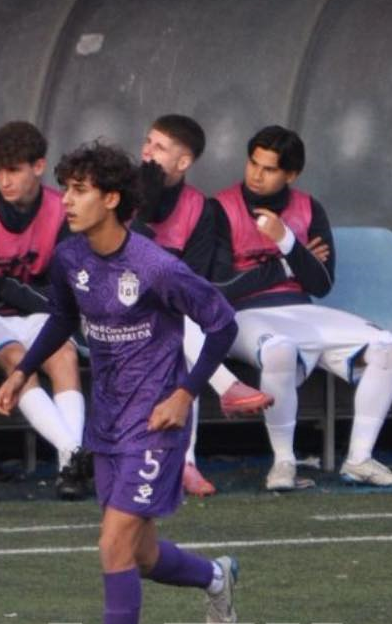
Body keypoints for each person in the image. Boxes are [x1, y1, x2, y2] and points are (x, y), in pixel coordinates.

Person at [0, 143, 240, 623]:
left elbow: (223, 324)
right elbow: (63, 316)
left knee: (112, 546)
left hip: (154, 423)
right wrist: (23, 370)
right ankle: (216, 577)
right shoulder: (69, 258)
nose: (65, 199)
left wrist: (185, 392)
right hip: (106, 421)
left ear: (111, 200)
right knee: (140, 555)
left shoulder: (156, 267)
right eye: (64, 188)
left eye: (79, 190)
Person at [211, 125, 392, 491]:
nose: (256, 174)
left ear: (291, 174)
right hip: (243, 315)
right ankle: (284, 463)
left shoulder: (307, 207)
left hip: (301, 309)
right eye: (253, 163)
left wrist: (286, 241)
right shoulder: (220, 207)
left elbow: (320, 283)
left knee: (387, 347)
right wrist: (288, 262)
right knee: (279, 349)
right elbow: (221, 287)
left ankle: (359, 460)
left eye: (269, 169)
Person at [134, 114, 272, 497]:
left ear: (183, 163)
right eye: (147, 143)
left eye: (159, 148)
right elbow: (117, 264)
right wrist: (143, 207)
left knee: (179, 343)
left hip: (164, 316)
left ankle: (185, 464)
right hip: (110, 307)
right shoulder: (119, 194)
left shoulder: (200, 208)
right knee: (180, 333)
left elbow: (191, 279)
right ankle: (227, 387)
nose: (147, 153)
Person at [0, 121, 88, 500]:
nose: (4, 180)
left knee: (62, 353)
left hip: (34, 311)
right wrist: (16, 291)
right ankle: (74, 453)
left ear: (39, 167)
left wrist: (9, 287)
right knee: (18, 360)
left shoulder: (62, 210)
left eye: (13, 170)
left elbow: (63, 287)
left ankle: (68, 469)